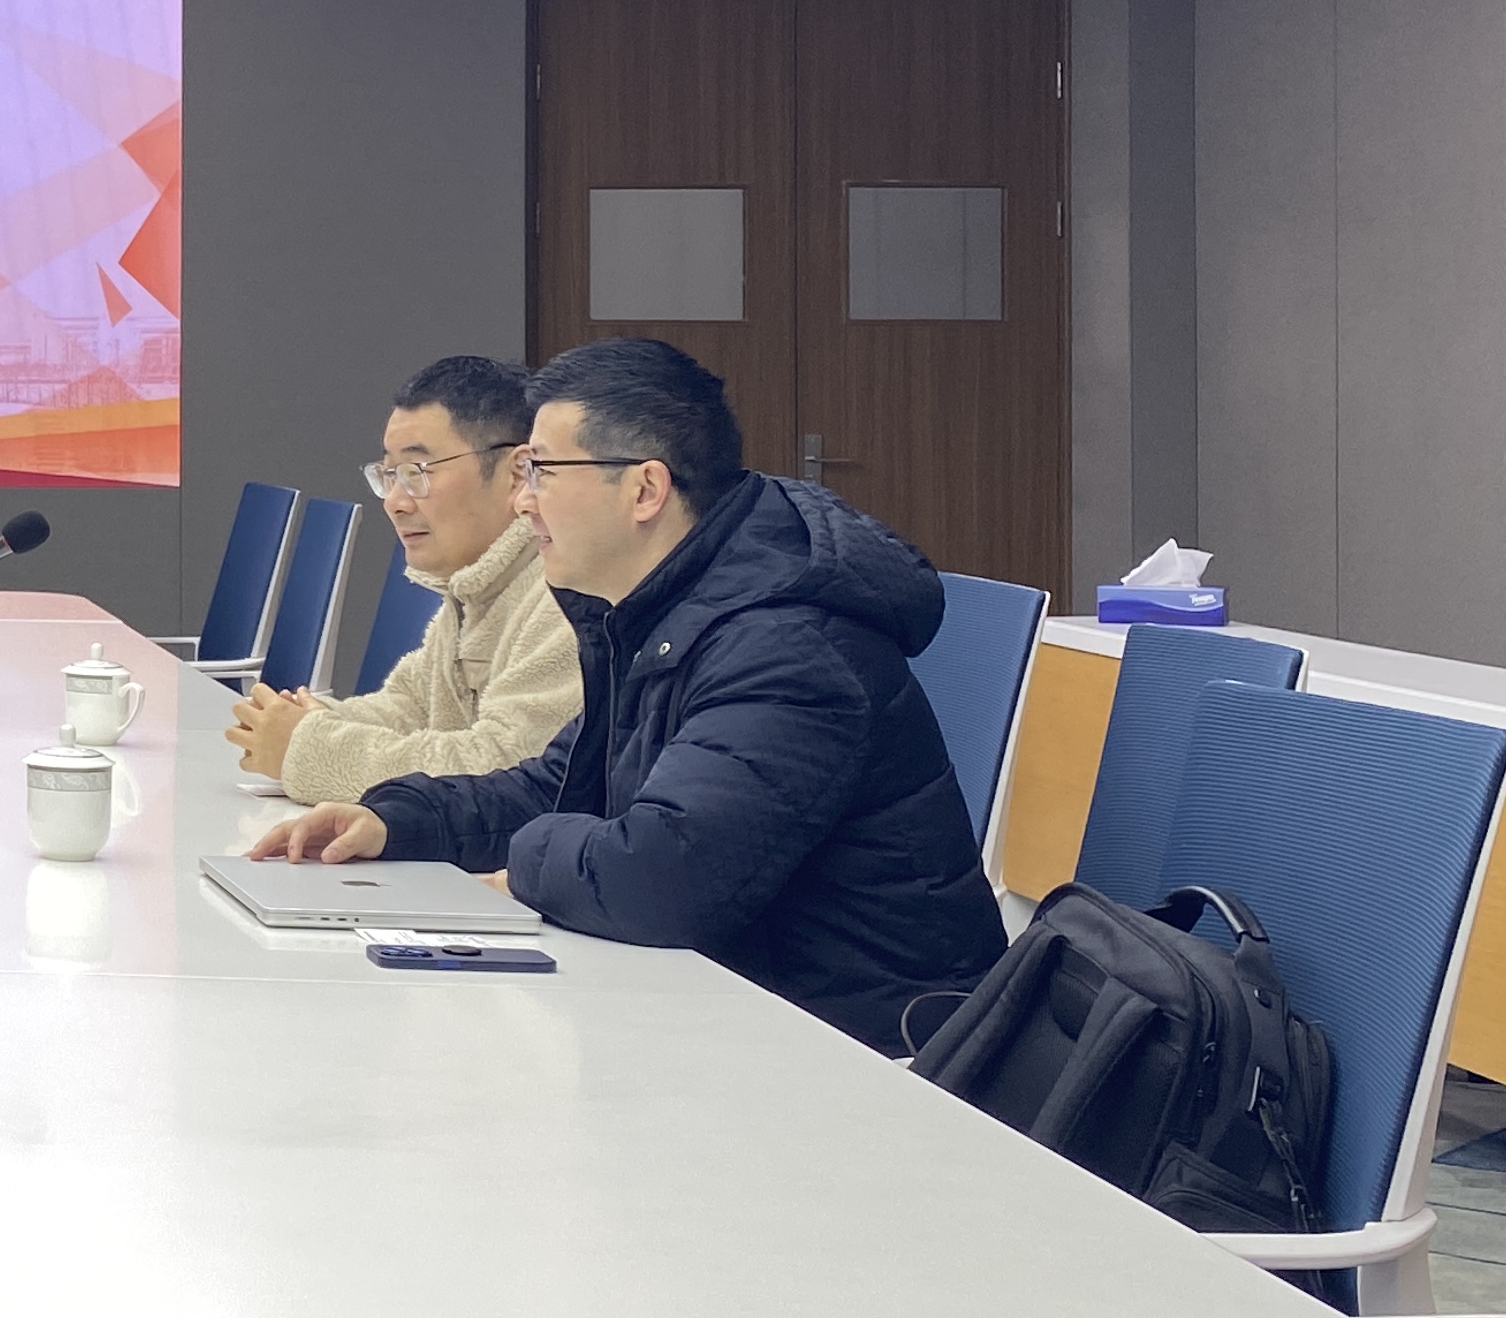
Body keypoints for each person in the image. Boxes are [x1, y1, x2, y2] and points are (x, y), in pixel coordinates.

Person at [249, 336, 1003, 1050]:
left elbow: (663, 876)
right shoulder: (661, 609)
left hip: (861, 1051)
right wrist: (397, 819)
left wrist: (527, 862)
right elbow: (559, 783)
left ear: (645, 489)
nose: (524, 502)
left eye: (543, 472)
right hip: (730, 1009)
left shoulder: (785, 645)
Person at [226, 354, 580, 804]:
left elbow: (506, 769)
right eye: (389, 475)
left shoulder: (568, 594)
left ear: (516, 473)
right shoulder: (476, 586)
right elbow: (409, 708)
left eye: (417, 473)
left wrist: (306, 746)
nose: (394, 501)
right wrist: (298, 722)